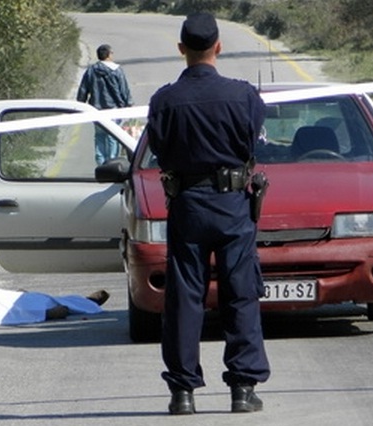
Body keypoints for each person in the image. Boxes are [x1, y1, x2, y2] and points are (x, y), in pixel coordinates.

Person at [146, 12, 270, 415]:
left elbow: (160, 151)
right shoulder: (243, 95)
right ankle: (242, 388)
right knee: (241, 294)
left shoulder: (164, 100)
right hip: (233, 204)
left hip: (188, 204)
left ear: (181, 49)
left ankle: (182, 393)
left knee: (185, 299)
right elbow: (253, 142)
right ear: (219, 46)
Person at [77, 43, 134, 164]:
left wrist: (80, 105)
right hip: (113, 110)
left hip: (96, 110)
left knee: (99, 136)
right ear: (108, 55)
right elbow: (124, 89)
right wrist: (128, 105)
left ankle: (100, 162)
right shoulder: (117, 70)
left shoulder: (91, 71)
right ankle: (112, 162)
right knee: (113, 137)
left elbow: (83, 90)